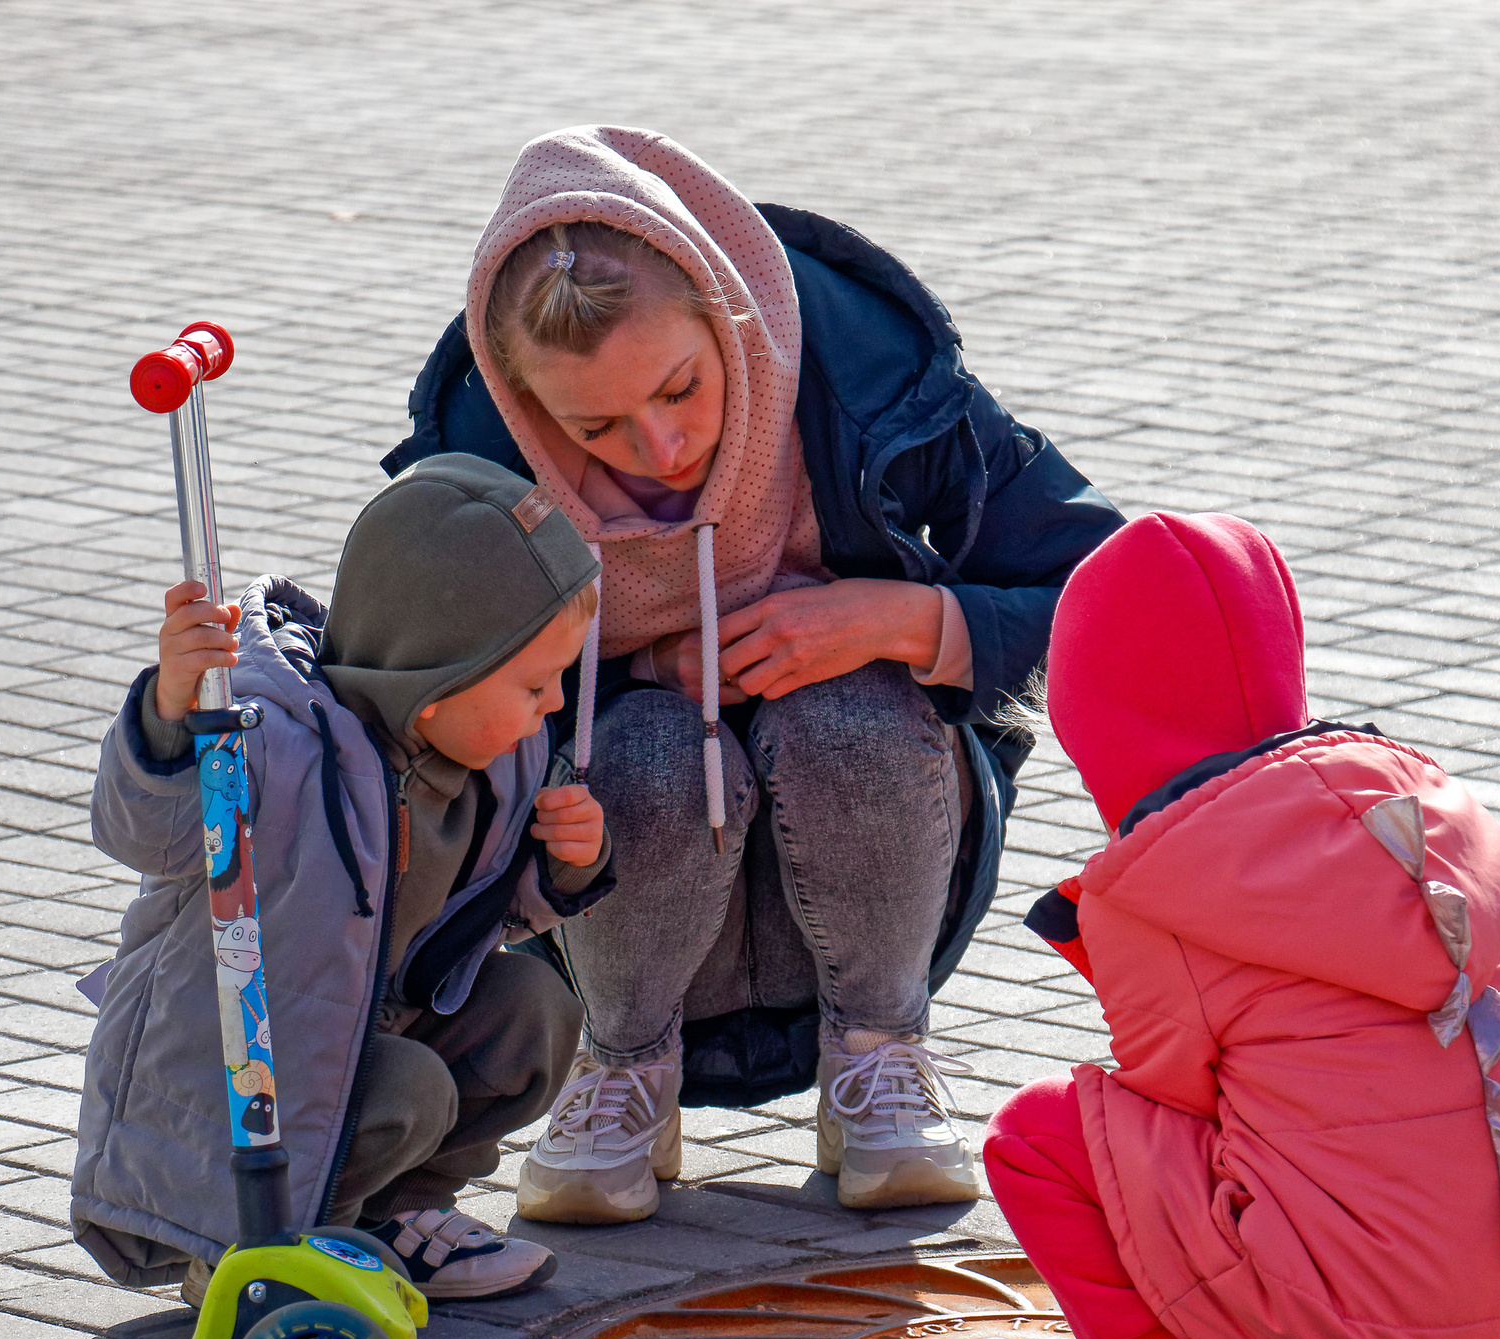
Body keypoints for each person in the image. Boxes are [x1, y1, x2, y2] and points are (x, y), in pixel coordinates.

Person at [387, 126, 1127, 1224]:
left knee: (846, 710)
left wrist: (903, 618)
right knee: (628, 747)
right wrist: (627, 659)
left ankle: (877, 1069)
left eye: (681, 388)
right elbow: (413, 706)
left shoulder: (871, 379)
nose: (660, 445)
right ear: (522, 401)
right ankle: (623, 1074)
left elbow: (1111, 591)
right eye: (595, 427)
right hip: (621, 883)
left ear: (731, 317)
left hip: (871, 848)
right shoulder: (473, 469)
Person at [985, 512, 1500, 1339]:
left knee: (1040, 1134)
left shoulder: (1167, 880)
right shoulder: (1420, 809)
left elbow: (1166, 1110)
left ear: (1098, 717)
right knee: (1470, 1088)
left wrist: (1104, 946)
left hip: (1376, 1317)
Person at [70, 454, 615, 1302]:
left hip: (360, 1030)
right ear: (438, 681)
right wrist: (172, 710)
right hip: (236, 1072)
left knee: (533, 1013)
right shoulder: (273, 739)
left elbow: (479, 923)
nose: (552, 706)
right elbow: (144, 829)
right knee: (410, 1087)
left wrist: (567, 864)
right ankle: (253, 1253)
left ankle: (395, 1218)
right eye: (535, 683)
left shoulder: (492, 763)